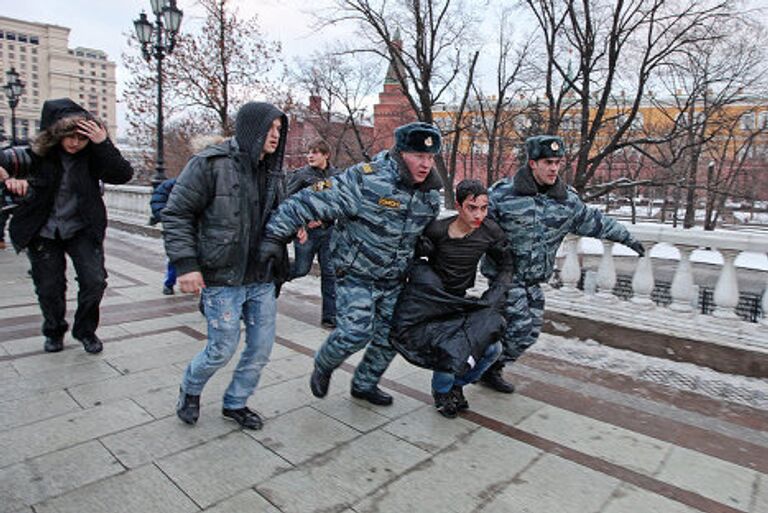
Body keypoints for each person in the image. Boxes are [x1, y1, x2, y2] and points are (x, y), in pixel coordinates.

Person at [259, 122, 443, 406]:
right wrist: (274, 236)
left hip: (394, 278)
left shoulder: (429, 194)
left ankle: (364, 384)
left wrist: (425, 243)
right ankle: (324, 363)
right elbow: (306, 202)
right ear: (401, 152)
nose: (426, 164)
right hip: (355, 272)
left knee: (390, 338)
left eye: (430, 158)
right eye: (419, 156)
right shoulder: (365, 179)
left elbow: (426, 229)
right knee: (355, 332)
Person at [480, 135, 645, 392]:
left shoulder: (566, 200)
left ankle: (489, 367)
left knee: (530, 333)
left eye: (557, 162)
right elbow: (473, 226)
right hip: (505, 277)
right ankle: (474, 364)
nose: (554, 168)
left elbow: (596, 222)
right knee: (519, 329)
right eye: (548, 162)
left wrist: (629, 239)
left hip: (534, 280)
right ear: (532, 163)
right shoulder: (502, 195)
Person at [163, 102, 291, 430]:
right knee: (221, 348)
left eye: (279, 129)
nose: (275, 136)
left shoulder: (276, 172)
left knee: (260, 348)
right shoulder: (210, 163)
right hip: (222, 276)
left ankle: (236, 402)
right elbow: (177, 213)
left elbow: (278, 214)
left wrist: (296, 226)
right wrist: (186, 266)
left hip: (262, 275)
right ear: (251, 129)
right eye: (270, 129)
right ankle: (190, 389)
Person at [0, 98, 133, 354]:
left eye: (81, 138)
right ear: (55, 135)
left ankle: (85, 331)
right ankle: (54, 329)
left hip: (82, 227)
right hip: (42, 229)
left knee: (94, 281)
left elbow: (123, 174)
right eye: (69, 137)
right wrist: (9, 179)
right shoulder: (34, 155)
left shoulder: (93, 157)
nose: (74, 143)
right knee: (49, 286)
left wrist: (102, 143)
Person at [390, 179, 510, 418]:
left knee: (492, 349)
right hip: (429, 303)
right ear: (458, 206)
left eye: (484, 208)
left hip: (459, 302)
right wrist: (422, 266)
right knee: (450, 351)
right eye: (472, 207)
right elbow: (409, 258)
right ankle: (442, 392)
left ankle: (457, 385)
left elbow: (506, 264)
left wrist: (494, 296)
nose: (479, 214)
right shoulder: (436, 230)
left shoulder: (490, 231)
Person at [285, 139, 341, 328]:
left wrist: (326, 218)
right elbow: (287, 201)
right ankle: (273, 277)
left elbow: (341, 203)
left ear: (326, 155)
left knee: (330, 273)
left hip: (329, 231)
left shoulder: (336, 175)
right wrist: (301, 223)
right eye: (309, 152)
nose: (310, 156)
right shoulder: (302, 176)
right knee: (301, 269)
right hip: (306, 233)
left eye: (315, 152)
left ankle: (330, 317)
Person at [149, 177, 177, 295]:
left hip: (197, 226)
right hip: (175, 225)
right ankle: (169, 284)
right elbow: (157, 201)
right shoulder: (170, 184)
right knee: (175, 256)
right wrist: (167, 216)